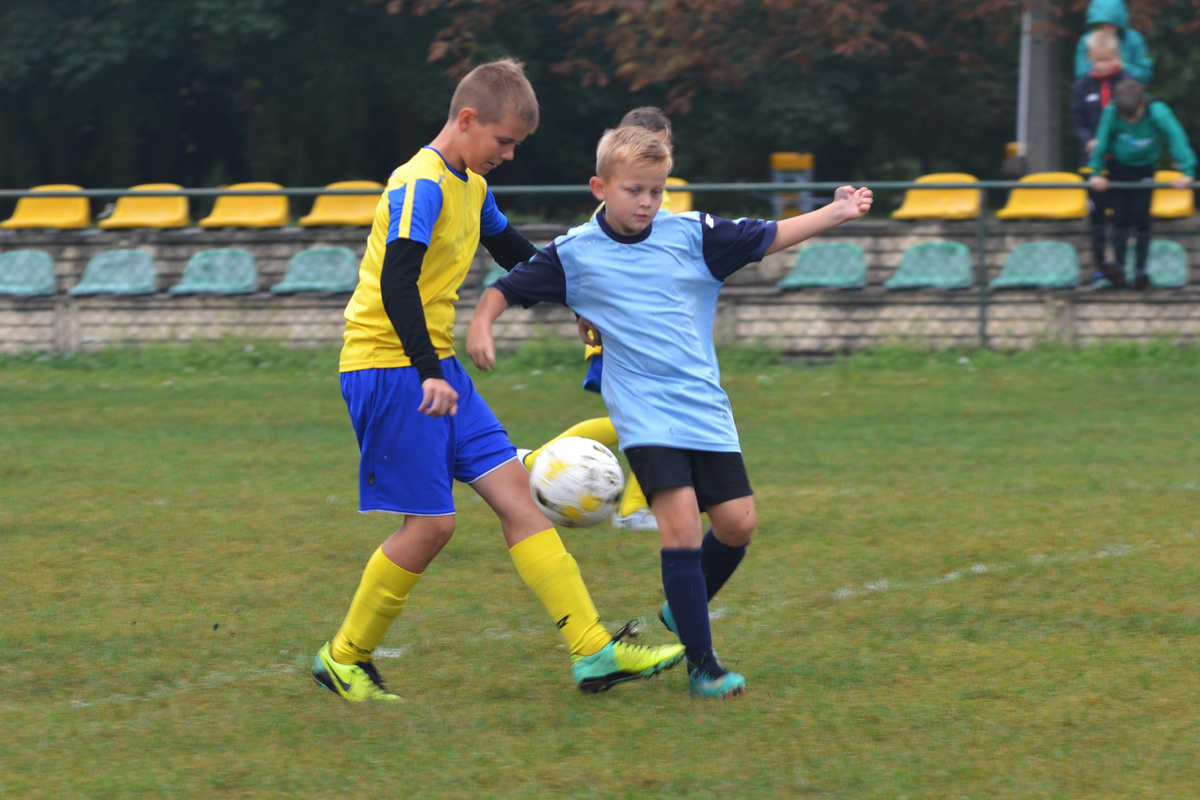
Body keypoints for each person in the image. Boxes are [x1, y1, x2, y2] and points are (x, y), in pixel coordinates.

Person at [312, 59, 685, 703]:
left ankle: (594, 652)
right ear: (467, 119)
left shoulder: (473, 187)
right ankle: (343, 658)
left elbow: (518, 256)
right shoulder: (418, 184)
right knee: (432, 527)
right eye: (504, 141)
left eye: (516, 144)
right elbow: (397, 283)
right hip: (391, 368)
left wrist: (582, 299)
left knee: (519, 498)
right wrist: (429, 372)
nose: (509, 155)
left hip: (435, 367)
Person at [466, 126, 873, 698]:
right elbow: (506, 288)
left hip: (704, 407)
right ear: (600, 188)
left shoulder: (692, 234)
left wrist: (836, 212)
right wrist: (482, 325)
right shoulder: (576, 252)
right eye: (634, 190)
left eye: (656, 191)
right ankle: (703, 667)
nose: (646, 203)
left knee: (737, 524)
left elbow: (769, 235)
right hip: (643, 414)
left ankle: (682, 611)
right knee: (680, 525)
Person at [519, 107, 676, 532]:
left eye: (665, 148)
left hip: (650, 339)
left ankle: (534, 463)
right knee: (647, 422)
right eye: (652, 145)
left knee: (652, 421)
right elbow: (587, 270)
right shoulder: (612, 214)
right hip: (619, 338)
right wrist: (585, 312)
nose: (660, 156)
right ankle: (539, 465)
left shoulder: (656, 208)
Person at [1088, 80, 1195, 289]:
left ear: (1143, 104)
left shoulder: (1158, 112)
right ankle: (1119, 268)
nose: (1131, 121)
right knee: (1120, 218)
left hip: (1144, 169)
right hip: (1119, 168)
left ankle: (1140, 270)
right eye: (1126, 117)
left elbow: (1176, 137)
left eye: (1134, 116)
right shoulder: (1111, 113)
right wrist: (1096, 173)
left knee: (1141, 217)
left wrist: (1188, 171)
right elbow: (1102, 141)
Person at [1072, 29, 1129, 283]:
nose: (1103, 64)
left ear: (1117, 56)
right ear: (1090, 58)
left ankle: (1120, 266)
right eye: (1098, 60)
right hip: (1091, 162)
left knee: (1121, 217)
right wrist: (1089, 140)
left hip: (1120, 161)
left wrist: (1112, 143)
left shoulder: (1127, 84)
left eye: (1108, 59)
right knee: (1097, 219)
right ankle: (1099, 267)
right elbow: (1077, 121)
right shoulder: (1082, 86)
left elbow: (1132, 119)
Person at [1073, 0, 1153, 85]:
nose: (1106, 29)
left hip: (1127, 89)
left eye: (1110, 24)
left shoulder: (1134, 39)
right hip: (1095, 89)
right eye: (1102, 24)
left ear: (1119, 23)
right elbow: (1081, 74)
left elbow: (1145, 74)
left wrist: (1121, 66)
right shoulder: (1087, 41)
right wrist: (1100, 67)